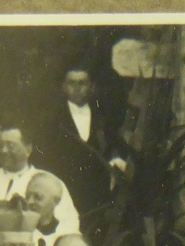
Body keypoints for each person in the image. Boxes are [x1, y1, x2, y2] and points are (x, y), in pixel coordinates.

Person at [35, 65, 128, 222]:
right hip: (65, 188)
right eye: (71, 83)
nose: (76, 89)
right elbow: (44, 155)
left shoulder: (103, 117)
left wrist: (116, 161)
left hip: (96, 192)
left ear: (92, 87)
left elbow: (116, 145)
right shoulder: (52, 119)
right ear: (64, 87)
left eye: (82, 83)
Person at [0, 114, 79, 228]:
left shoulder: (50, 183)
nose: (4, 150)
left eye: (11, 145)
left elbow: (69, 225)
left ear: (28, 149)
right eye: (1, 145)